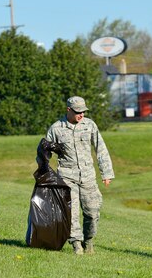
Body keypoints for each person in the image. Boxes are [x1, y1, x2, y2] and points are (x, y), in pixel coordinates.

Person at [45, 96, 115, 255]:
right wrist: (45, 172)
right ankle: (76, 244)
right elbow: (44, 151)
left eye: (83, 111)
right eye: (78, 112)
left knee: (92, 211)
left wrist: (106, 173)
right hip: (66, 176)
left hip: (88, 176)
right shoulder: (56, 129)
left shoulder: (90, 125)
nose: (81, 115)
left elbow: (101, 149)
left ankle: (88, 240)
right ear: (68, 110)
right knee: (72, 212)